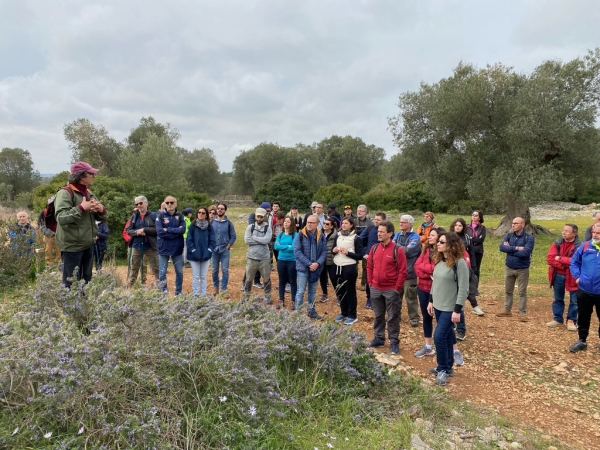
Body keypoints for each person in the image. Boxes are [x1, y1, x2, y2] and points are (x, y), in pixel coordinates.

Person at [55, 162, 107, 288]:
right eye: (91, 173)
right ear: (82, 176)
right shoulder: (65, 193)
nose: (93, 176)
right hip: (72, 246)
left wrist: (101, 210)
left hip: (88, 244)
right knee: (71, 283)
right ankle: (71, 308)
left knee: (86, 281)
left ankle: (85, 306)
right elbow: (61, 218)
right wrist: (82, 208)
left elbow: (104, 217)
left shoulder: (88, 192)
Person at [427, 231, 469, 386]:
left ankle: (443, 368)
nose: (437, 244)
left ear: (451, 245)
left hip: (450, 308)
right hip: (438, 305)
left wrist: (457, 310)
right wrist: (431, 301)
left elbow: (463, 288)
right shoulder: (439, 261)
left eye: (441, 242)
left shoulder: (460, 263)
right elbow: (435, 283)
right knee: (446, 335)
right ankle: (448, 367)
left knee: (438, 337)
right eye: (438, 241)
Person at [366, 221, 408, 354]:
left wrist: (396, 288)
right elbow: (369, 266)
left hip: (391, 289)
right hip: (375, 288)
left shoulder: (397, 250)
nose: (379, 234)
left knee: (392, 316)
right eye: (378, 231)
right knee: (378, 315)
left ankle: (394, 342)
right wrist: (370, 283)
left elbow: (403, 271)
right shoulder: (374, 248)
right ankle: (379, 338)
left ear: (390, 233)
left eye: (382, 232)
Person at [569, 223, 600, 353]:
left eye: (598, 233)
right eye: (593, 232)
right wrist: (577, 277)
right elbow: (574, 262)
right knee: (583, 316)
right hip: (585, 289)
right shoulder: (586, 246)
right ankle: (582, 341)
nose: (594, 235)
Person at [496, 217, 535, 321]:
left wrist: (509, 249)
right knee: (508, 290)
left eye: (516, 223)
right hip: (509, 267)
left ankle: (522, 313)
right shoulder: (508, 235)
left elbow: (526, 253)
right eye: (512, 223)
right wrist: (516, 248)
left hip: (522, 269)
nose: (513, 225)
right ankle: (507, 310)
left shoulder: (529, 238)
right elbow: (501, 247)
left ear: (522, 225)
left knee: (522, 292)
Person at [414, 227, 442, 359]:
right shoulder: (425, 249)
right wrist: (428, 272)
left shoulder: (442, 252)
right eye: (429, 235)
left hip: (438, 290)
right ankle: (428, 346)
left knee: (441, 319)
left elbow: (438, 270)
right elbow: (416, 266)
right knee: (426, 317)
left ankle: (444, 347)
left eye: (432, 235)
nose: (429, 237)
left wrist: (425, 269)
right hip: (423, 288)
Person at [547, 224, 581, 331]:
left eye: (567, 231)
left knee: (574, 300)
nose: (564, 233)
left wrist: (560, 258)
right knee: (558, 298)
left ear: (574, 233)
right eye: (563, 230)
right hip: (558, 274)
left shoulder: (580, 246)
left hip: (573, 275)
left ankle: (571, 320)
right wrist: (563, 264)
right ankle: (557, 319)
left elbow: (576, 261)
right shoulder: (557, 243)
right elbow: (550, 258)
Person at [294, 215, 328, 320]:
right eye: (308, 222)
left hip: (316, 269)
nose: (309, 224)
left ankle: (311, 312)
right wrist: (309, 264)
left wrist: (317, 263)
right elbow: (297, 252)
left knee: (312, 291)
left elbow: (324, 251)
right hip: (303, 268)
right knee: (300, 291)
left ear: (317, 224)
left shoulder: (321, 235)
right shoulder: (300, 234)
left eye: (312, 222)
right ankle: (298, 315)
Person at [332, 216, 364, 325]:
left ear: (351, 225)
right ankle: (343, 312)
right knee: (340, 291)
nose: (344, 225)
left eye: (346, 223)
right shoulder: (338, 235)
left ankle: (352, 315)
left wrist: (348, 253)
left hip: (349, 267)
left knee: (350, 291)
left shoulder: (356, 238)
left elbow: (360, 255)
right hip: (337, 266)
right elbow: (333, 250)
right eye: (343, 223)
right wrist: (334, 250)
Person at [450, 218, 484, 317]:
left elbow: (471, 253)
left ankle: (474, 305)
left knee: (466, 286)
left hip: (465, 265)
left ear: (463, 227)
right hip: (451, 265)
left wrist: (474, 267)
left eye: (460, 225)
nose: (457, 227)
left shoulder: (467, 238)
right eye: (456, 225)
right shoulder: (448, 237)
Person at [393, 215, 421, 327]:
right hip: (397, 271)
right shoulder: (397, 234)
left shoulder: (416, 237)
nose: (400, 224)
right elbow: (392, 248)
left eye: (403, 222)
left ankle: (414, 318)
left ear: (410, 224)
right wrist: (398, 248)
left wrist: (396, 247)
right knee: (395, 295)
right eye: (400, 222)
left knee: (411, 296)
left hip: (409, 272)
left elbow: (408, 251)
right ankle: (395, 316)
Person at [126, 196, 159, 287]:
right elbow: (128, 230)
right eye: (137, 204)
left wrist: (144, 230)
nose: (139, 205)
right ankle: (130, 285)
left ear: (146, 203)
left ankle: (161, 286)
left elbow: (157, 230)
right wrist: (137, 232)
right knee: (134, 267)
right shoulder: (134, 216)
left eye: (141, 203)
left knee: (156, 267)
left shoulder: (154, 215)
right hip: (136, 245)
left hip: (151, 245)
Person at [156, 195, 186, 295]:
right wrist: (175, 233)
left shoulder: (180, 216)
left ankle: (178, 292)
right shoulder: (160, 216)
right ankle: (164, 293)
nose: (169, 204)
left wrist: (168, 229)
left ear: (175, 204)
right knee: (162, 272)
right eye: (167, 202)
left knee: (179, 272)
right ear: (164, 204)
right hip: (163, 248)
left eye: (171, 202)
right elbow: (160, 232)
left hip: (177, 248)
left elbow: (182, 230)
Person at [243, 207, 273, 304]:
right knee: (248, 278)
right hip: (251, 257)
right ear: (255, 216)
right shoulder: (250, 227)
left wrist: (254, 237)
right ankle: (246, 296)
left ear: (264, 217)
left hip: (264, 258)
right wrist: (261, 241)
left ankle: (267, 296)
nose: (259, 219)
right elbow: (247, 240)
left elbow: (267, 240)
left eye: (261, 217)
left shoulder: (267, 228)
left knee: (266, 278)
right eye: (258, 216)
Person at [187, 206, 216, 296]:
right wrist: (193, 250)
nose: (201, 214)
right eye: (199, 212)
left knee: (203, 276)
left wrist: (209, 250)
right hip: (194, 254)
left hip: (206, 255)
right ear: (197, 214)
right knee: (196, 276)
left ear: (206, 215)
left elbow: (213, 240)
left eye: (203, 213)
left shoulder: (209, 227)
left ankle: (203, 295)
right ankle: (195, 294)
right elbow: (189, 240)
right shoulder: (193, 226)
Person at [361, 212, 386, 308]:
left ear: (383, 220)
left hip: (382, 259)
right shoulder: (370, 228)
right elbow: (360, 240)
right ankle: (369, 299)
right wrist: (364, 253)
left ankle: (380, 299)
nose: (376, 221)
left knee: (381, 278)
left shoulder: (388, 230)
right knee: (369, 279)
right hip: (370, 259)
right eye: (375, 219)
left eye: (378, 220)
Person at [211, 202, 236, 298]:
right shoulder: (212, 222)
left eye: (222, 208)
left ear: (225, 210)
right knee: (214, 270)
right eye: (218, 208)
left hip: (225, 250)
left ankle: (224, 290)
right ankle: (215, 288)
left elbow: (233, 236)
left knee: (225, 270)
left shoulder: (229, 223)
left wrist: (228, 245)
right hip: (214, 250)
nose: (220, 210)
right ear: (216, 210)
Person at [274, 216, 298, 308]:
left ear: (291, 224)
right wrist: (287, 246)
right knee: (281, 281)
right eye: (285, 221)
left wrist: (282, 246)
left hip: (292, 261)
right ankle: (281, 299)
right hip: (281, 260)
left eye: (288, 222)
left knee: (292, 281)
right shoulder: (280, 234)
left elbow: (294, 248)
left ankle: (293, 300)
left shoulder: (295, 235)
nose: (286, 223)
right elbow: (276, 247)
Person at [38, 199, 61, 268]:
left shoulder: (59, 211)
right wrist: (46, 232)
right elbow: (40, 223)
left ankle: (60, 265)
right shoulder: (44, 212)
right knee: (48, 251)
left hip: (59, 235)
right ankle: (48, 265)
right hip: (48, 235)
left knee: (60, 251)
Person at [322, 218, 339, 304]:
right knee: (322, 278)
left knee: (333, 278)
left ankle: (339, 296)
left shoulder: (336, 235)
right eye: (324, 223)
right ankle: (325, 294)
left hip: (331, 260)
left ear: (332, 226)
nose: (325, 225)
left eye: (327, 224)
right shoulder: (319, 234)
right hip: (321, 260)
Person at [356, 204, 372, 291]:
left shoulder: (370, 223)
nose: (359, 212)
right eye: (358, 211)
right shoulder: (354, 221)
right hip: (355, 246)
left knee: (365, 266)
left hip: (366, 246)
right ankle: (353, 281)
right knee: (353, 264)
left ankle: (363, 283)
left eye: (361, 211)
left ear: (365, 212)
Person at [467, 210, 486, 280]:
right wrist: (476, 239)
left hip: (478, 251)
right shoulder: (467, 227)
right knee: (468, 267)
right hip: (468, 250)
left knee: (476, 269)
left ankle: (475, 286)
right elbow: (466, 238)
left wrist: (471, 238)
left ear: (479, 218)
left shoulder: (482, 228)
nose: (474, 216)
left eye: (476, 215)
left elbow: (481, 240)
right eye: (473, 215)